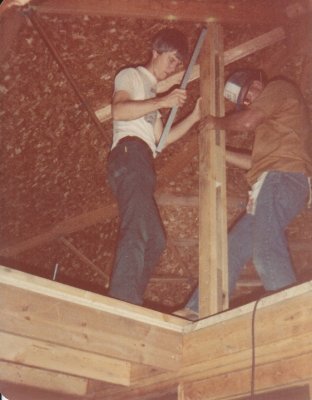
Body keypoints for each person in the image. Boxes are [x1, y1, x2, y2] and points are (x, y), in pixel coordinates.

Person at [177, 68, 312, 319]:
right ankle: (197, 309)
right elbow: (257, 162)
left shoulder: (279, 87)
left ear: (259, 81)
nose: (249, 101)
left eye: (249, 93)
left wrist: (216, 123)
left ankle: (296, 319)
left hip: (281, 179)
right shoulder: (279, 131)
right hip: (280, 179)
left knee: (266, 252)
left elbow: (248, 121)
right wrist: (221, 153)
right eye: (245, 102)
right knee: (232, 249)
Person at [107, 28, 201, 306]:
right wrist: (163, 100)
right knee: (136, 228)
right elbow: (119, 110)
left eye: (178, 64)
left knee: (156, 240)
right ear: (156, 52)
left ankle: (130, 293)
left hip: (143, 158)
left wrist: (194, 117)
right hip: (129, 152)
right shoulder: (131, 76)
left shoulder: (150, 94)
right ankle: (124, 300)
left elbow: (161, 139)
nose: (174, 67)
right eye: (171, 60)